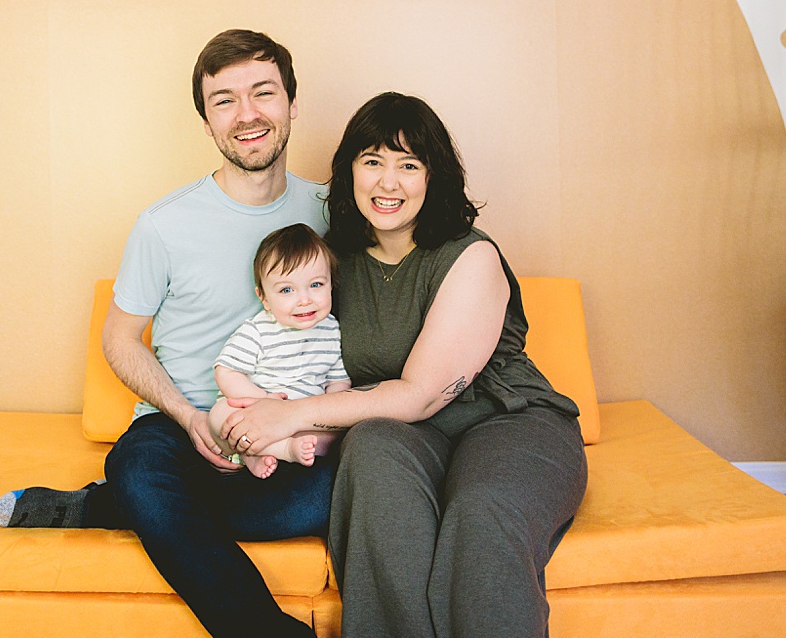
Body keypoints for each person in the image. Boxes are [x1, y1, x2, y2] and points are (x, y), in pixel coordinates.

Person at [0, 30, 331, 638]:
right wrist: (187, 416)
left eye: (263, 92)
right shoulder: (163, 224)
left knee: (326, 498)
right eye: (224, 100)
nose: (247, 114)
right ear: (206, 121)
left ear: (292, 103)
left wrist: (304, 421)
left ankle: (108, 506)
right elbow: (120, 339)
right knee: (141, 468)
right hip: (180, 430)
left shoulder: (334, 213)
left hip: (292, 432)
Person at [218, 91, 588, 638]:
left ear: (432, 177)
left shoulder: (470, 255)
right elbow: (284, 343)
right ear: (349, 173)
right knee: (370, 460)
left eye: (408, 165)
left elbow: (418, 394)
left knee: (480, 515)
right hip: (403, 433)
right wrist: (239, 415)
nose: (387, 183)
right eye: (372, 162)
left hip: (509, 419)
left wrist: (289, 416)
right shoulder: (328, 262)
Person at [208, 223, 351, 479]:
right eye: (287, 290)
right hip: (255, 415)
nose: (304, 299)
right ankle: (275, 451)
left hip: (304, 420)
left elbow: (338, 381)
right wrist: (263, 401)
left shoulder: (331, 329)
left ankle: (277, 449)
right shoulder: (259, 330)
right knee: (219, 416)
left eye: (316, 285)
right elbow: (227, 372)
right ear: (263, 297)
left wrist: (328, 411)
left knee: (338, 433)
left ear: (332, 284)